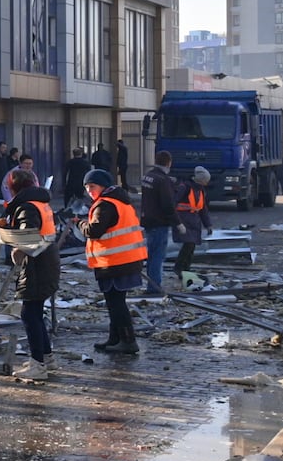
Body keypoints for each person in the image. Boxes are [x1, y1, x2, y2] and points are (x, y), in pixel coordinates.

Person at [0, 168, 61, 383]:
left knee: (29, 313)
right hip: (47, 260)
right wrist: (8, 225)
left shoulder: (26, 206)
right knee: (35, 311)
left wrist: (17, 249)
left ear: (14, 188)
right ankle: (46, 358)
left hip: (37, 264)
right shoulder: (40, 203)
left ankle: (38, 365)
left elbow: (28, 231)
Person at [82, 168, 147, 355]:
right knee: (114, 302)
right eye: (86, 187)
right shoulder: (120, 202)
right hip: (123, 260)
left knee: (117, 304)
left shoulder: (106, 205)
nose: (89, 190)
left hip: (115, 262)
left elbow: (94, 230)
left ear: (103, 186)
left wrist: (80, 224)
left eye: (92, 186)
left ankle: (127, 340)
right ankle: (115, 338)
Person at [139, 150, 179, 297]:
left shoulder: (148, 176)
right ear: (169, 163)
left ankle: (152, 283)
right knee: (157, 255)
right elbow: (168, 204)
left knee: (152, 254)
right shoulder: (163, 180)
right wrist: (178, 222)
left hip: (148, 219)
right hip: (159, 221)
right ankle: (154, 286)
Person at [173, 166, 214, 287]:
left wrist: (208, 225)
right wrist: (176, 221)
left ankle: (185, 269)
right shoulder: (184, 188)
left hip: (193, 222)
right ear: (201, 180)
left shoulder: (200, 190)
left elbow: (203, 210)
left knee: (191, 246)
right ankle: (180, 268)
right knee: (188, 244)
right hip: (184, 221)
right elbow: (173, 203)